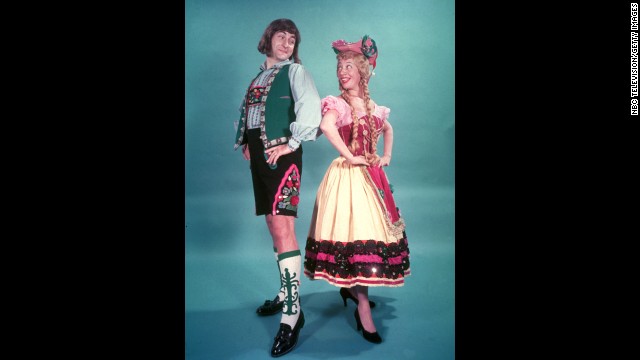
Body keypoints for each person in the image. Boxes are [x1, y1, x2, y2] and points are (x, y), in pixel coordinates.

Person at [303, 35, 410, 344]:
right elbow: (326, 127)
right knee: (354, 234)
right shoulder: (337, 104)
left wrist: (385, 156)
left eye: (348, 66)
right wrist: (350, 156)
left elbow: (388, 129)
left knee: (372, 236)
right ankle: (362, 303)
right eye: (339, 66)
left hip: (372, 179)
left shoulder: (374, 107)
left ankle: (353, 289)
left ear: (363, 71)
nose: (342, 71)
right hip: (347, 178)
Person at [233, 18, 321, 357]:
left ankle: (293, 313)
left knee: (283, 226)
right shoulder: (259, 75)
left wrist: (292, 143)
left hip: (283, 155)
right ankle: (286, 292)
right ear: (268, 39)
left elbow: (309, 108)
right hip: (260, 156)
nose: (287, 43)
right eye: (281, 37)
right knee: (272, 223)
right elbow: (253, 111)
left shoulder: (296, 72)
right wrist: (246, 141)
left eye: (292, 39)